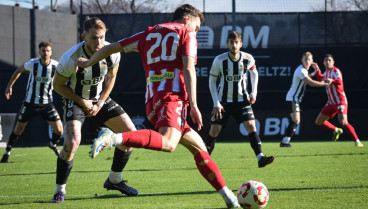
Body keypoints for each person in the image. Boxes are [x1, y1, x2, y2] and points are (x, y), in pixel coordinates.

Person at [75, 4, 241, 208]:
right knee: (169, 143)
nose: (195, 32)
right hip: (172, 98)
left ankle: (230, 199)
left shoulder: (148, 33)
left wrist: (88, 62)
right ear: (187, 19)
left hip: (153, 101)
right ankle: (113, 137)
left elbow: (111, 47)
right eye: (196, 27)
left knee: (199, 148)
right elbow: (189, 68)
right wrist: (194, 105)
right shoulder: (186, 34)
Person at [51, 17, 138, 203]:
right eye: (94, 38)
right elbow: (57, 85)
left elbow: (111, 78)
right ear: (84, 36)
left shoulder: (112, 51)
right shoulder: (70, 58)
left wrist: (99, 103)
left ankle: (114, 180)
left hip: (99, 99)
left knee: (131, 134)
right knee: (72, 142)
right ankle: (60, 190)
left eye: (102, 37)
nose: (99, 42)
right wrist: (83, 102)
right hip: (75, 99)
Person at [204, 31, 274, 168]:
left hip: (242, 100)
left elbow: (254, 73)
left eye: (236, 42)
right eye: (231, 42)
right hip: (222, 102)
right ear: (227, 44)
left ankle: (260, 158)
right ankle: (204, 161)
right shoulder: (219, 60)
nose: (234, 45)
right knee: (214, 130)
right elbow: (212, 81)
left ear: (241, 44)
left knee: (251, 126)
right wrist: (216, 102)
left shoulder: (248, 58)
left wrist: (254, 92)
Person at [1, 41, 63, 163]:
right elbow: (18, 70)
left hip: (47, 104)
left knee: (59, 130)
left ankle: (53, 144)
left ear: (51, 52)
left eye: (48, 51)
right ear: (39, 52)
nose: (45, 53)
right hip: (30, 103)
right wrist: (9, 86)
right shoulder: (33, 64)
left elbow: (66, 73)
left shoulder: (56, 66)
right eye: (43, 51)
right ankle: (7, 152)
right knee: (18, 129)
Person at [280, 52, 332, 147]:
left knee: (295, 120)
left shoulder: (303, 70)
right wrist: (325, 83)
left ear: (312, 61)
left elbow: (307, 78)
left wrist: (314, 72)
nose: (307, 61)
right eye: (305, 59)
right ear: (302, 60)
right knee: (296, 120)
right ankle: (285, 142)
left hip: (294, 98)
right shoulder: (301, 70)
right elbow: (310, 82)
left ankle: (285, 141)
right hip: (292, 98)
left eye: (309, 59)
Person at [314, 54, 363, 147]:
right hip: (331, 102)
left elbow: (339, 81)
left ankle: (357, 142)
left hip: (340, 101)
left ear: (333, 62)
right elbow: (320, 78)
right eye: (326, 60)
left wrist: (332, 81)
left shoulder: (336, 71)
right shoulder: (326, 73)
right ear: (323, 62)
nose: (327, 62)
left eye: (329, 60)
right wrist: (317, 70)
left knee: (343, 121)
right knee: (318, 121)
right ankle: (336, 130)